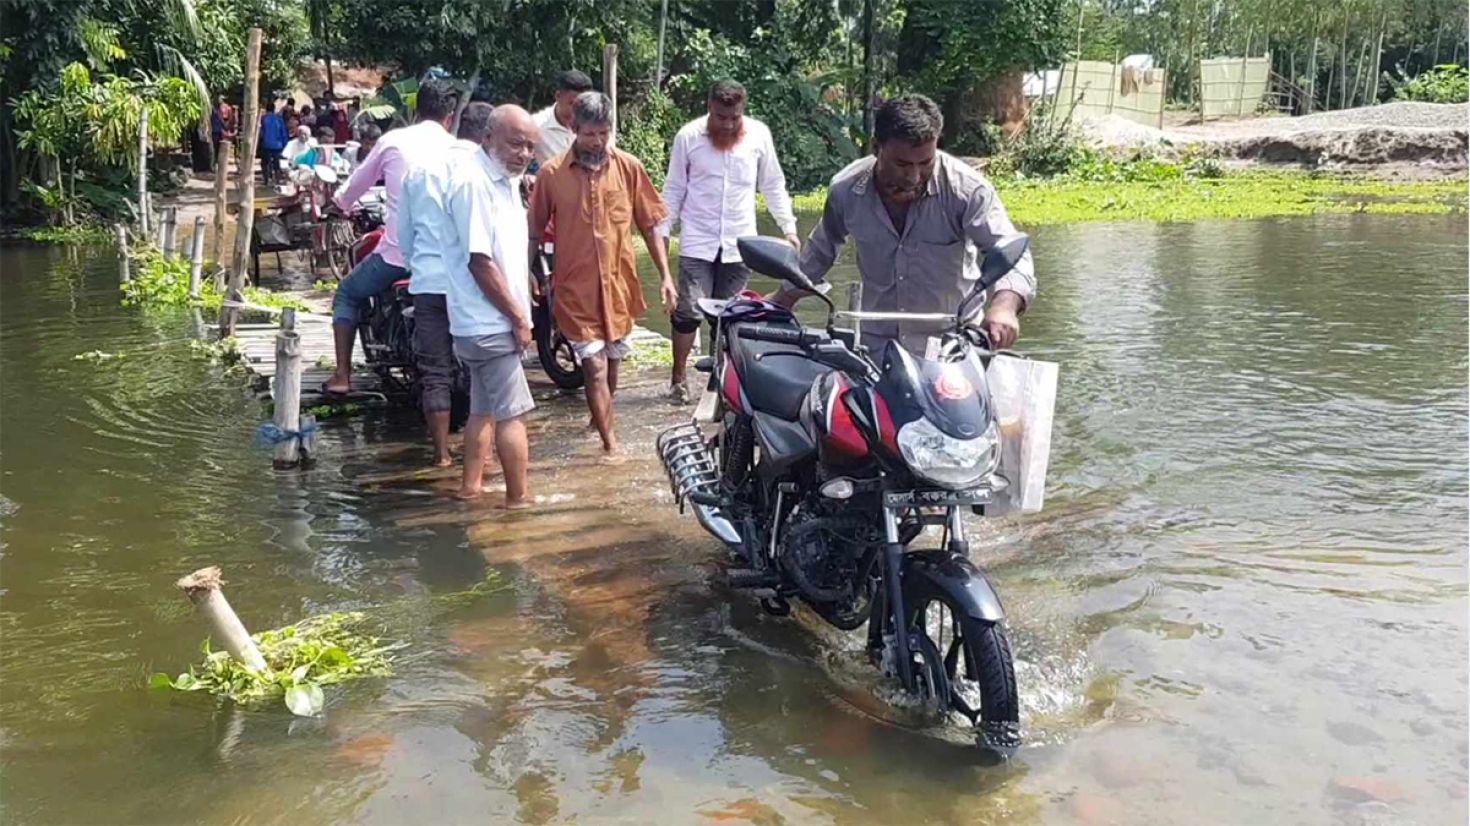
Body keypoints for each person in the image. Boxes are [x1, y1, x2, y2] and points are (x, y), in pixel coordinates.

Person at [774, 94, 1035, 354]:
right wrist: (780, 301)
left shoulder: (967, 190)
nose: (913, 177)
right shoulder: (847, 190)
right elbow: (819, 253)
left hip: (953, 345)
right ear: (876, 148)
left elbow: (1011, 254)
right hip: (877, 346)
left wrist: (1004, 306)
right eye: (901, 164)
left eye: (925, 163)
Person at [528, 92, 674, 457]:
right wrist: (525, 276)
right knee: (592, 366)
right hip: (574, 289)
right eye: (590, 134)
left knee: (611, 360)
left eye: (603, 134)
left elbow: (650, 224)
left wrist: (666, 277)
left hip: (619, 286)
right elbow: (534, 230)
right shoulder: (551, 174)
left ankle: (600, 421)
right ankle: (611, 447)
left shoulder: (629, 168)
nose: (597, 142)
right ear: (574, 129)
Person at [324, 79, 459, 463]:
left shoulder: (393, 141)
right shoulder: (460, 149)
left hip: (400, 254)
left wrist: (339, 204)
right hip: (451, 259)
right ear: (449, 117)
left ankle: (342, 376)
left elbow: (355, 186)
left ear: (417, 110)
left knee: (347, 293)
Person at [658, 79, 799, 404]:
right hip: (697, 240)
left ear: (742, 111)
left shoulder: (758, 136)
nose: (728, 124)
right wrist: (663, 234)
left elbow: (773, 184)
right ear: (710, 107)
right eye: (722, 117)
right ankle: (678, 379)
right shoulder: (688, 137)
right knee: (688, 311)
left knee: (728, 315)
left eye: (734, 117)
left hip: (739, 243)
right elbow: (674, 188)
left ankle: (719, 380)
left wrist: (788, 228)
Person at [432, 102, 540, 503]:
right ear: (488, 137)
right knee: (513, 414)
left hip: (479, 321)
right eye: (516, 144)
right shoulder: (474, 183)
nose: (524, 154)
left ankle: (470, 489)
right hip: (489, 321)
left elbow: (500, 249)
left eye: (530, 147)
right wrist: (518, 317)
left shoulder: (501, 179)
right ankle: (519, 501)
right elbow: (479, 261)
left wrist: (523, 281)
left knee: (483, 408)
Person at [531, 70, 593, 164]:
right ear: (558, 96)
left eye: (583, 104)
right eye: (572, 103)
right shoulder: (536, 125)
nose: (578, 109)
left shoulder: (595, 125)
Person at [258, 102, 289, 186]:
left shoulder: (263, 118)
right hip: (278, 145)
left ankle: (267, 180)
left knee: (265, 163)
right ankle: (277, 180)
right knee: (276, 163)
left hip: (266, 144)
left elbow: (261, 132)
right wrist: (285, 143)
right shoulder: (279, 119)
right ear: (274, 109)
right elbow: (283, 132)